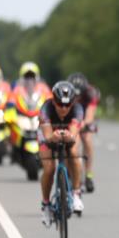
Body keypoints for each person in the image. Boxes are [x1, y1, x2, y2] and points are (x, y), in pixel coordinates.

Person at [38, 81, 85, 224]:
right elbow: (47, 136)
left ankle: (76, 193)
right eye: (60, 104)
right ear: (53, 100)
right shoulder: (46, 109)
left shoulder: (77, 109)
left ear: (72, 102)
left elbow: (73, 133)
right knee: (49, 168)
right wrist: (53, 136)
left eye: (67, 104)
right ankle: (46, 205)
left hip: (67, 134)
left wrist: (67, 136)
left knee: (74, 154)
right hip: (48, 136)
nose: (64, 108)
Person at [67, 72, 99, 193]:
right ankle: (71, 173)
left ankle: (88, 175)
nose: (77, 97)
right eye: (75, 95)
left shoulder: (91, 93)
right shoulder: (66, 92)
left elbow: (90, 114)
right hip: (72, 118)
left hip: (85, 118)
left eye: (79, 95)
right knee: (73, 143)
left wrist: (83, 124)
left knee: (87, 139)